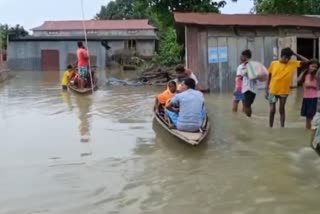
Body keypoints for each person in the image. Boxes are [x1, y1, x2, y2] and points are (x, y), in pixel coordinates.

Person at [266, 47, 309, 128]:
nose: (287, 60)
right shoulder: (274, 63)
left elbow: (308, 62)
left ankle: (282, 127)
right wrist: (266, 90)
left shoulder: (292, 63)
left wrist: (295, 54)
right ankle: (270, 127)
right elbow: (269, 76)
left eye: (289, 58)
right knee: (272, 110)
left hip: (284, 91)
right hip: (273, 90)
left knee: (281, 109)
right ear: (282, 56)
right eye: (286, 58)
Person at [298, 60, 320, 129]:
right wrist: (303, 72)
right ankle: (308, 129)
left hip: (314, 98)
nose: (314, 68)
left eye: (315, 67)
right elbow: (298, 81)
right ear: (308, 66)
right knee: (308, 117)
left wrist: (311, 85)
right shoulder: (305, 74)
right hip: (306, 98)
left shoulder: (317, 75)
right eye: (312, 66)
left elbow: (317, 86)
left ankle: (312, 129)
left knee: (312, 116)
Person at [236, 49, 257, 117]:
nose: (241, 57)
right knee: (246, 105)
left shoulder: (243, 66)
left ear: (246, 57)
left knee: (245, 105)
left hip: (247, 89)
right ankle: (247, 117)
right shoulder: (252, 64)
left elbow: (239, 78)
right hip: (251, 89)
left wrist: (237, 89)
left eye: (242, 56)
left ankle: (248, 120)